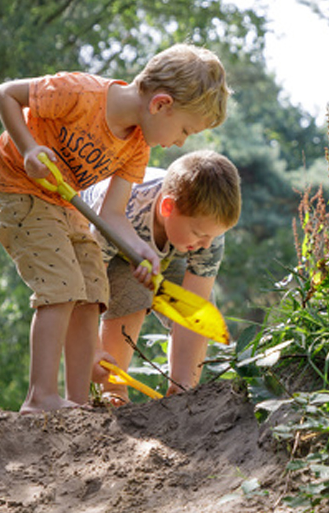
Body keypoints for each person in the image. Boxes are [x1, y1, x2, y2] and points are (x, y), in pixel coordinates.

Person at [0, 44, 228, 415]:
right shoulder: (79, 93)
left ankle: (78, 401)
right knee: (62, 285)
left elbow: (112, 214)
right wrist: (29, 148)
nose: (180, 142)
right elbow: (5, 94)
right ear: (161, 104)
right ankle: (40, 396)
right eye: (184, 130)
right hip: (18, 190)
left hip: (64, 205)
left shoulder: (135, 148)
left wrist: (140, 250)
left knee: (93, 288)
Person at [82, 149, 241, 404]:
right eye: (199, 233)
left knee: (199, 306)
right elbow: (88, 284)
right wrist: (90, 349)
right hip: (104, 246)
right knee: (133, 293)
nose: (205, 244)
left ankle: (182, 389)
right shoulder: (127, 208)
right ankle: (113, 389)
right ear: (168, 207)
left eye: (212, 236)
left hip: (169, 250)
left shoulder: (206, 236)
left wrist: (182, 384)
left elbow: (194, 310)